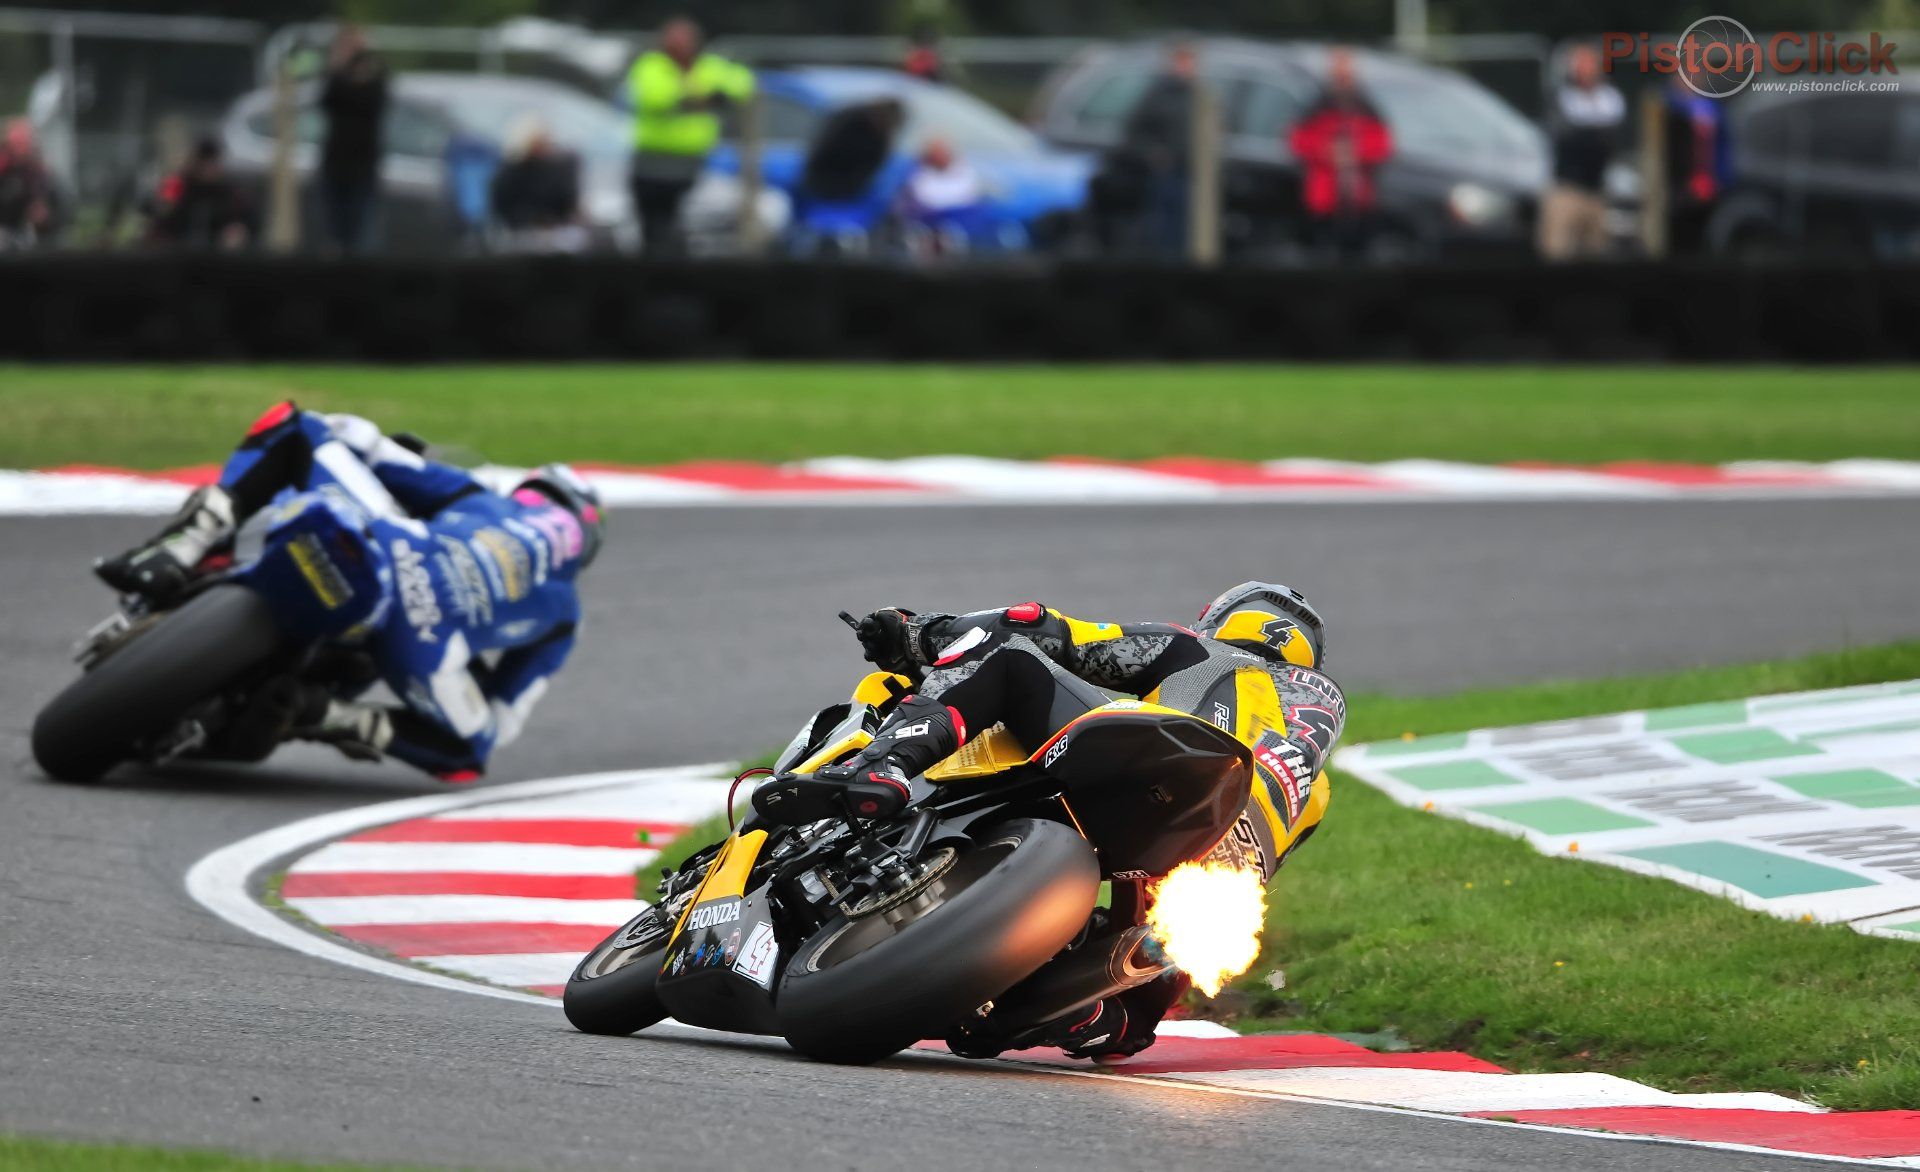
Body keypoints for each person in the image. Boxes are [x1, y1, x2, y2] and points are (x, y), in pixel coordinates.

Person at [754, 583, 1342, 1060]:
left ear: (1225, 621)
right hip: (1228, 855)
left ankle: (885, 769)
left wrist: (917, 631)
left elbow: (1043, 627)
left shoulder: (1198, 649)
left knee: (1013, 664)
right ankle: (1098, 1014)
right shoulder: (1318, 787)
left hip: (1158, 762)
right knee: (1173, 947)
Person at [94, 404, 604, 780]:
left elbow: (362, 440)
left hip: (392, 542)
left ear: (532, 492)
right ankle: (329, 714)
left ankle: (181, 545)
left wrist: (394, 452)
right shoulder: (564, 615)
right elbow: (502, 722)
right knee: (470, 751)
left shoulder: (485, 501)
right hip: (425, 639)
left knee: (297, 424)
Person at [626, 16, 754, 254]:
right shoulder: (651, 65)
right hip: (653, 160)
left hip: (692, 161)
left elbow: (742, 83)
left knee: (687, 225)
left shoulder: (709, 65)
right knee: (652, 224)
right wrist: (704, 96)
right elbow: (656, 97)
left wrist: (698, 96)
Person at [1288, 48, 1394, 261]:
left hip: (1359, 196)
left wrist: (1356, 152)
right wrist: (1326, 152)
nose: (1342, 78)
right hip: (1322, 196)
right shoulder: (1317, 105)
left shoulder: (1367, 106)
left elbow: (1384, 143)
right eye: (1338, 73)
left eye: (1346, 73)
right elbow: (1297, 140)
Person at [1540, 45, 1625, 261]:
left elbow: (1612, 138)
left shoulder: (1609, 99)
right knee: (1559, 251)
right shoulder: (1563, 98)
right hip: (1568, 188)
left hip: (1597, 189)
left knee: (1597, 251)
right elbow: (1567, 137)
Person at [1117, 41, 1200, 256]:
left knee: (1191, 223)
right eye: (1181, 61)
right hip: (1167, 171)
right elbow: (1134, 132)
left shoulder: (1199, 95)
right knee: (1165, 224)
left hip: (1193, 171)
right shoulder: (1157, 95)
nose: (1186, 67)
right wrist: (1155, 155)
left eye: (1189, 61)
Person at [320, 25, 390, 254]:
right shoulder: (337, 79)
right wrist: (340, 66)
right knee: (336, 231)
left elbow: (374, 99)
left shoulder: (375, 78)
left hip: (363, 165)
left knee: (362, 232)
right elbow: (328, 99)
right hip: (336, 164)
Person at [490, 117, 586, 252]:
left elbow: (565, 203)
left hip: (555, 232)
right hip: (522, 232)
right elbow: (504, 207)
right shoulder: (511, 172)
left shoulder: (557, 168)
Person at [148, 137, 256, 249]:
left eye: (212, 163)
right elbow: (159, 213)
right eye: (203, 163)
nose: (207, 169)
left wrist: (239, 230)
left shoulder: (231, 192)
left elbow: (247, 219)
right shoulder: (178, 185)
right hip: (177, 251)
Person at [1662, 73, 1728, 256]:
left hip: (1707, 183)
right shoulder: (1668, 107)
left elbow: (1722, 146)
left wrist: (1722, 178)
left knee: (1704, 237)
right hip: (1678, 186)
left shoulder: (1711, 108)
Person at [801, 97, 904, 203]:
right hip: (824, 179)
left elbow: (872, 166)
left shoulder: (880, 135)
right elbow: (824, 151)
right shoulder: (848, 123)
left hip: (847, 188)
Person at [0, 118, 59, 247]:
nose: (20, 148)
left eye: (24, 143)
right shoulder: (4, 168)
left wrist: (43, 216)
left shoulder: (40, 172)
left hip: (30, 236)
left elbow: (53, 205)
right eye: (16, 143)